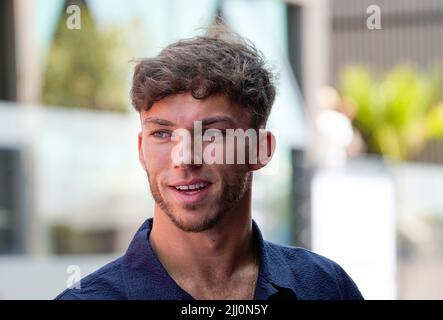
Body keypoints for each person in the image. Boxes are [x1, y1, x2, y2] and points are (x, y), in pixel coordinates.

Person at [55, 25, 363, 300]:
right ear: (141, 150)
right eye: (162, 133)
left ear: (260, 149)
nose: (184, 157)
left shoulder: (326, 287)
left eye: (212, 134)